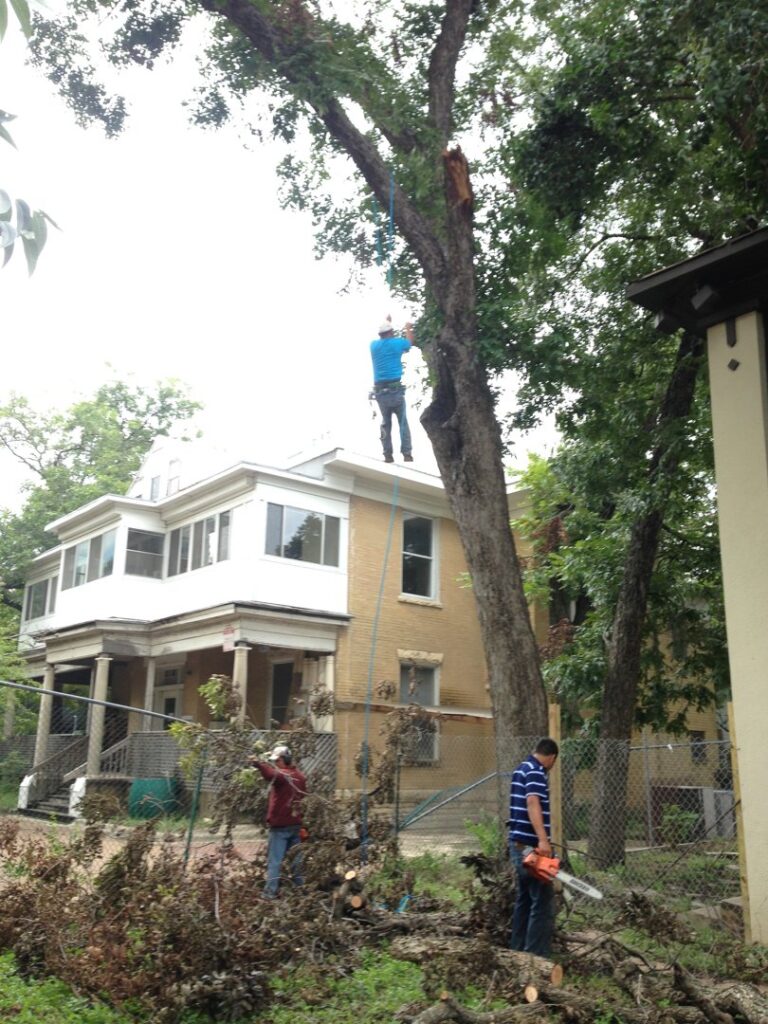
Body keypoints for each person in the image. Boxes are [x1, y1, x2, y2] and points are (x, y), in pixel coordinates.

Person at [508, 737, 559, 956]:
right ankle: (535, 956)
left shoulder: (521, 769)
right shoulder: (537, 772)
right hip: (531, 844)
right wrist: (543, 840)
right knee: (542, 902)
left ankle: (516, 951)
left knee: (525, 899)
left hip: (518, 844)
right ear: (551, 758)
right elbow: (532, 802)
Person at [249, 743, 307, 899]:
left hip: (280, 827)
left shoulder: (282, 776)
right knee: (296, 860)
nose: (275, 764)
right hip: (295, 825)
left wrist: (257, 763)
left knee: (275, 861)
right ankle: (300, 889)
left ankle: (270, 893)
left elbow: (270, 775)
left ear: (285, 760)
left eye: (277, 761)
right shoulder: (300, 777)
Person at [369, 317, 415, 464]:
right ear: (390, 333)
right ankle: (407, 454)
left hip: (381, 393)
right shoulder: (397, 344)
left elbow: (387, 337)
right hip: (395, 391)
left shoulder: (374, 346)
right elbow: (409, 343)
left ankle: (387, 454)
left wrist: (387, 321)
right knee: (402, 422)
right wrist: (408, 328)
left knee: (386, 423)